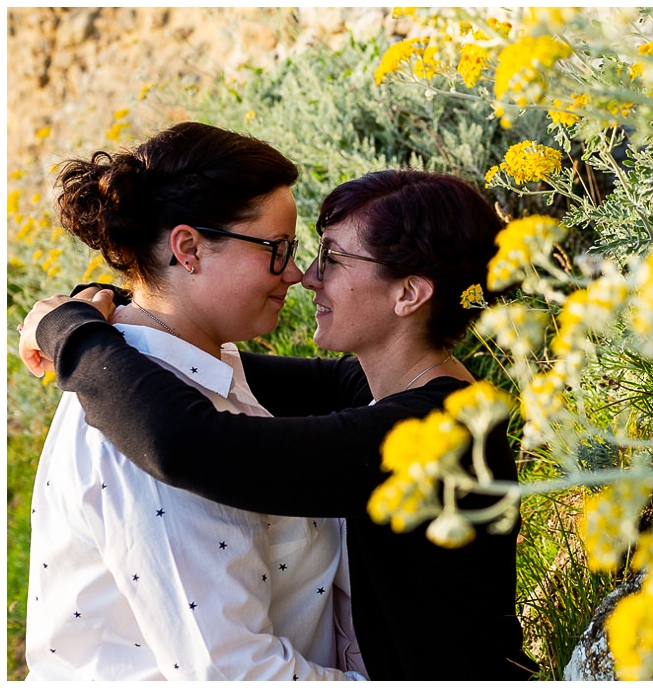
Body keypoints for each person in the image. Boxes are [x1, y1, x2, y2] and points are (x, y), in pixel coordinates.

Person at [19, 169, 537, 680]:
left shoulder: (433, 435)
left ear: (408, 295)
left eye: (332, 258)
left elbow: (191, 443)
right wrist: (118, 300)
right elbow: (185, 360)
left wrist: (70, 335)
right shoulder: (384, 388)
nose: (307, 275)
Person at [19, 121, 365, 681]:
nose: (297, 274)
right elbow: (234, 672)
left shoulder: (200, 363)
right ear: (189, 248)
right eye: (277, 249)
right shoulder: (135, 418)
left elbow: (348, 384)